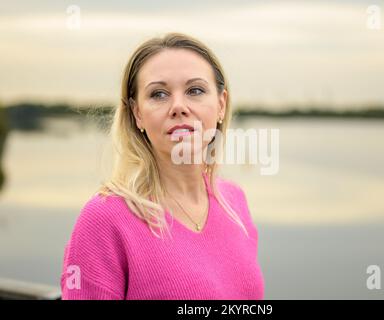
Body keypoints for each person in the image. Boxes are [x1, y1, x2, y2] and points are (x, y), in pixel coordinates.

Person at [60, 32, 265, 300]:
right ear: (137, 114)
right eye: (159, 94)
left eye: (195, 90)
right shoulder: (104, 219)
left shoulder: (235, 202)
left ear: (221, 105)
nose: (178, 106)